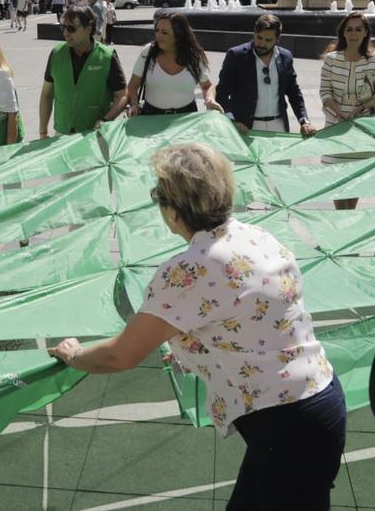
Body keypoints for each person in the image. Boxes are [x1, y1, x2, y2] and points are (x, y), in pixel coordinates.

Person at [48, 143, 345, 510]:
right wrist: (194, 350)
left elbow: (119, 356)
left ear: (172, 211)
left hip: (286, 425)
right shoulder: (255, 236)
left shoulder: (190, 268)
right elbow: (250, 319)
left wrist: (73, 354)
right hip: (315, 402)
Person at [319, 12, 375, 210]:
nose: (354, 33)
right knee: (337, 178)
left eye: (358, 29)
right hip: (335, 126)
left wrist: (365, 106)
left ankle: (350, 214)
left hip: (362, 127)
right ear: (343, 32)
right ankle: (342, 215)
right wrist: (335, 108)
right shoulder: (331, 59)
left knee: (357, 178)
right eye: (349, 29)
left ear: (366, 32)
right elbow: (324, 92)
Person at [217, 13, 318, 136]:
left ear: (277, 39)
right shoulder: (236, 55)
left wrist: (304, 120)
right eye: (259, 38)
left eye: (268, 40)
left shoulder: (285, 57)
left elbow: (293, 92)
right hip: (245, 127)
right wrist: (232, 121)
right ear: (254, 33)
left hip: (278, 126)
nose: (261, 43)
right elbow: (221, 92)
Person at [38, 4, 128, 137]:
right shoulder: (57, 54)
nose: (65, 33)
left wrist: (105, 120)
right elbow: (46, 94)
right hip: (62, 133)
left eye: (71, 28)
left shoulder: (107, 56)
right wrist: (43, 131)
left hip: (95, 134)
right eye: (63, 27)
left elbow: (122, 95)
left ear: (88, 28)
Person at [126, 11, 220, 116]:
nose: (158, 36)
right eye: (157, 31)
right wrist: (134, 104)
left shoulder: (194, 56)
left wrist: (210, 99)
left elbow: (207, 86)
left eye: (164, 32)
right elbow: (133, 86)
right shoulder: (148, 52)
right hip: (151, 116)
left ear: (179, 35)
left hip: (186, 118)